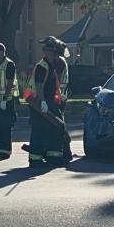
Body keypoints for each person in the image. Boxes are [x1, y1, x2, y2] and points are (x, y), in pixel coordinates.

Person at [23, 36, 70, 167]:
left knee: (53, 128)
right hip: (38, 102)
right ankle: (36, 159)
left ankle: (52, 157)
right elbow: (39, 86)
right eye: (56, 54)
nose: (58, 57)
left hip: (45, 101)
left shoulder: (52, 65)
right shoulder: (42, 66)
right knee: (46, 129)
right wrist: (43, 102)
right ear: (51, 51)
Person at [0, 43, 18, 160]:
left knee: (4, 126)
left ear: (2, 51)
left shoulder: (9, 64)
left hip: (6, 100)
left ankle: (4, 150)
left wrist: (5, 98)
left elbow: (10, 83)